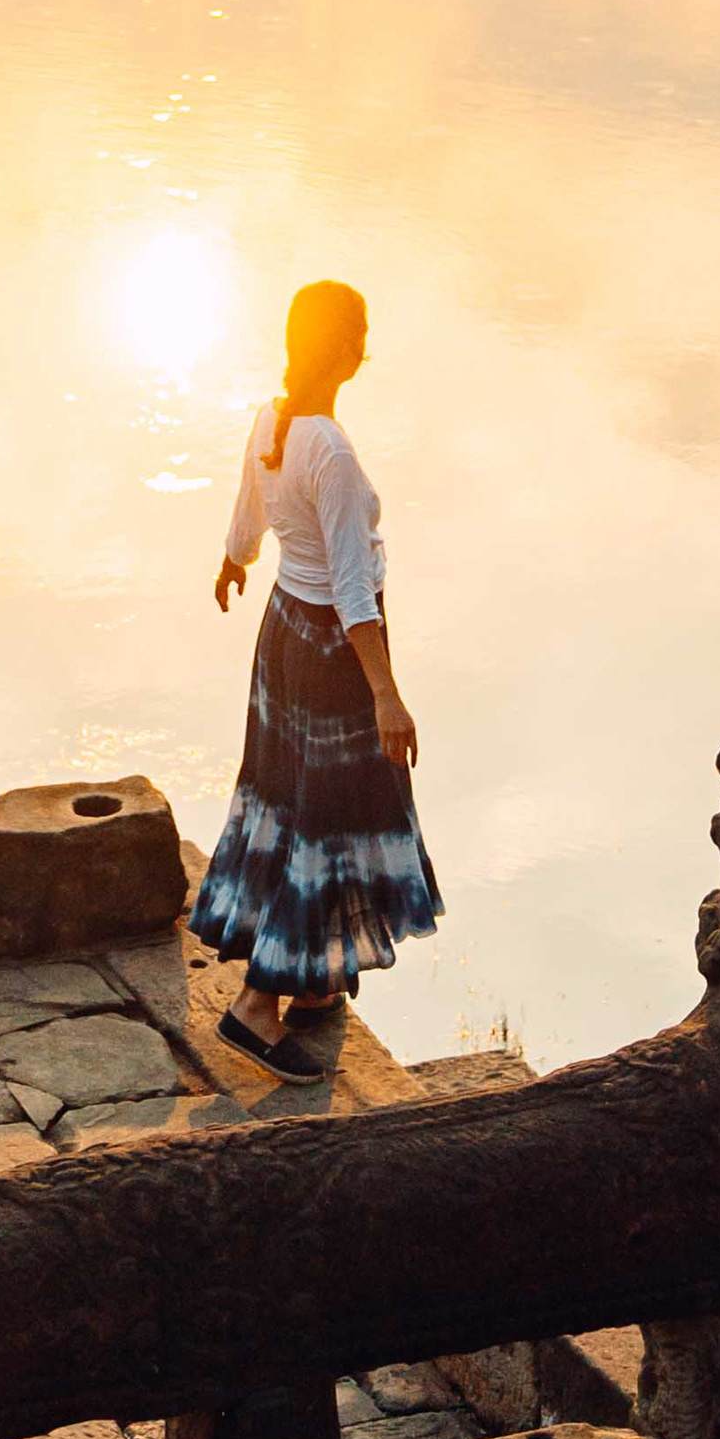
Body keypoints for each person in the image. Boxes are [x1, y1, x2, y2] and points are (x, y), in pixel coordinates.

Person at [190, 273, 442, 1076]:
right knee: (322, 823)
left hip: (283, 636)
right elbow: (350, 589)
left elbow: (249, 506)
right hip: (331, 652)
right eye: (359, 333)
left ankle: (316, 984)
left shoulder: (276, 418)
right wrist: (387, 696)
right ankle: (256, 1009)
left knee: (293, 806)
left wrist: (234, 559)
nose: (366, 346)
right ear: (338, 349)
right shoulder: (328, 448)